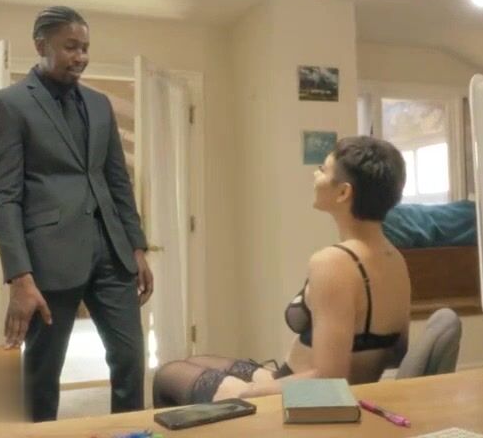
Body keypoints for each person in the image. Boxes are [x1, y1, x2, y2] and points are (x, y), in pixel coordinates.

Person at [0, 6, 153, 421]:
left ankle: (127, 432)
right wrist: (19, 277)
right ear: (41, 45)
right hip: (49, 259)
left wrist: (137, 246)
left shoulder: (98, 104)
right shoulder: (8, 104)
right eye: (71, 47)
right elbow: (4, 196)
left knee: (131, 359)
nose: (81, 57)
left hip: (112, 253)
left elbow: (117, 181)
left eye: (85, 48)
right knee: (43, 373)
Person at [153, 136, 410, 406]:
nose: (315, 175)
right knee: (196, 361)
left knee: (168, 375)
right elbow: (395, 354)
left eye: (323, 170)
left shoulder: (334, 263)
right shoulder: (395, 259)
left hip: (304, 399)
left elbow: (330, 380)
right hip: (303, 381)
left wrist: (250, 393)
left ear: (343, 193)